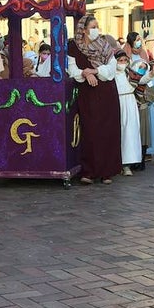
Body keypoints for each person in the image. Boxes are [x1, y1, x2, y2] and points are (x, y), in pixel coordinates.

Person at [68, 15, 122, 184]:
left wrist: (95, 71)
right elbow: (72, 69)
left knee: (107, 130)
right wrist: (85, 73)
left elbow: (111, 67)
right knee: (90, 131)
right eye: (92, 27)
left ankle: (107, 171)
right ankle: (89, 171)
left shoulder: (104, 45)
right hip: (87, 93)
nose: (95, 30)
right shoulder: (74, 47)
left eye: (97, 26)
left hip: (106, 92)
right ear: (83, 30)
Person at [114, 51, 142, 176]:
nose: (123, 63)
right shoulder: (111, 74)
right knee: (119, 132)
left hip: (130, 103)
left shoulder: (130, 74)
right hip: (117, 102)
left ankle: (127, 164)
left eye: (125, 60)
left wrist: (152, 73)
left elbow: (143, 79)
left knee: (130, 133)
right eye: (120, 60)